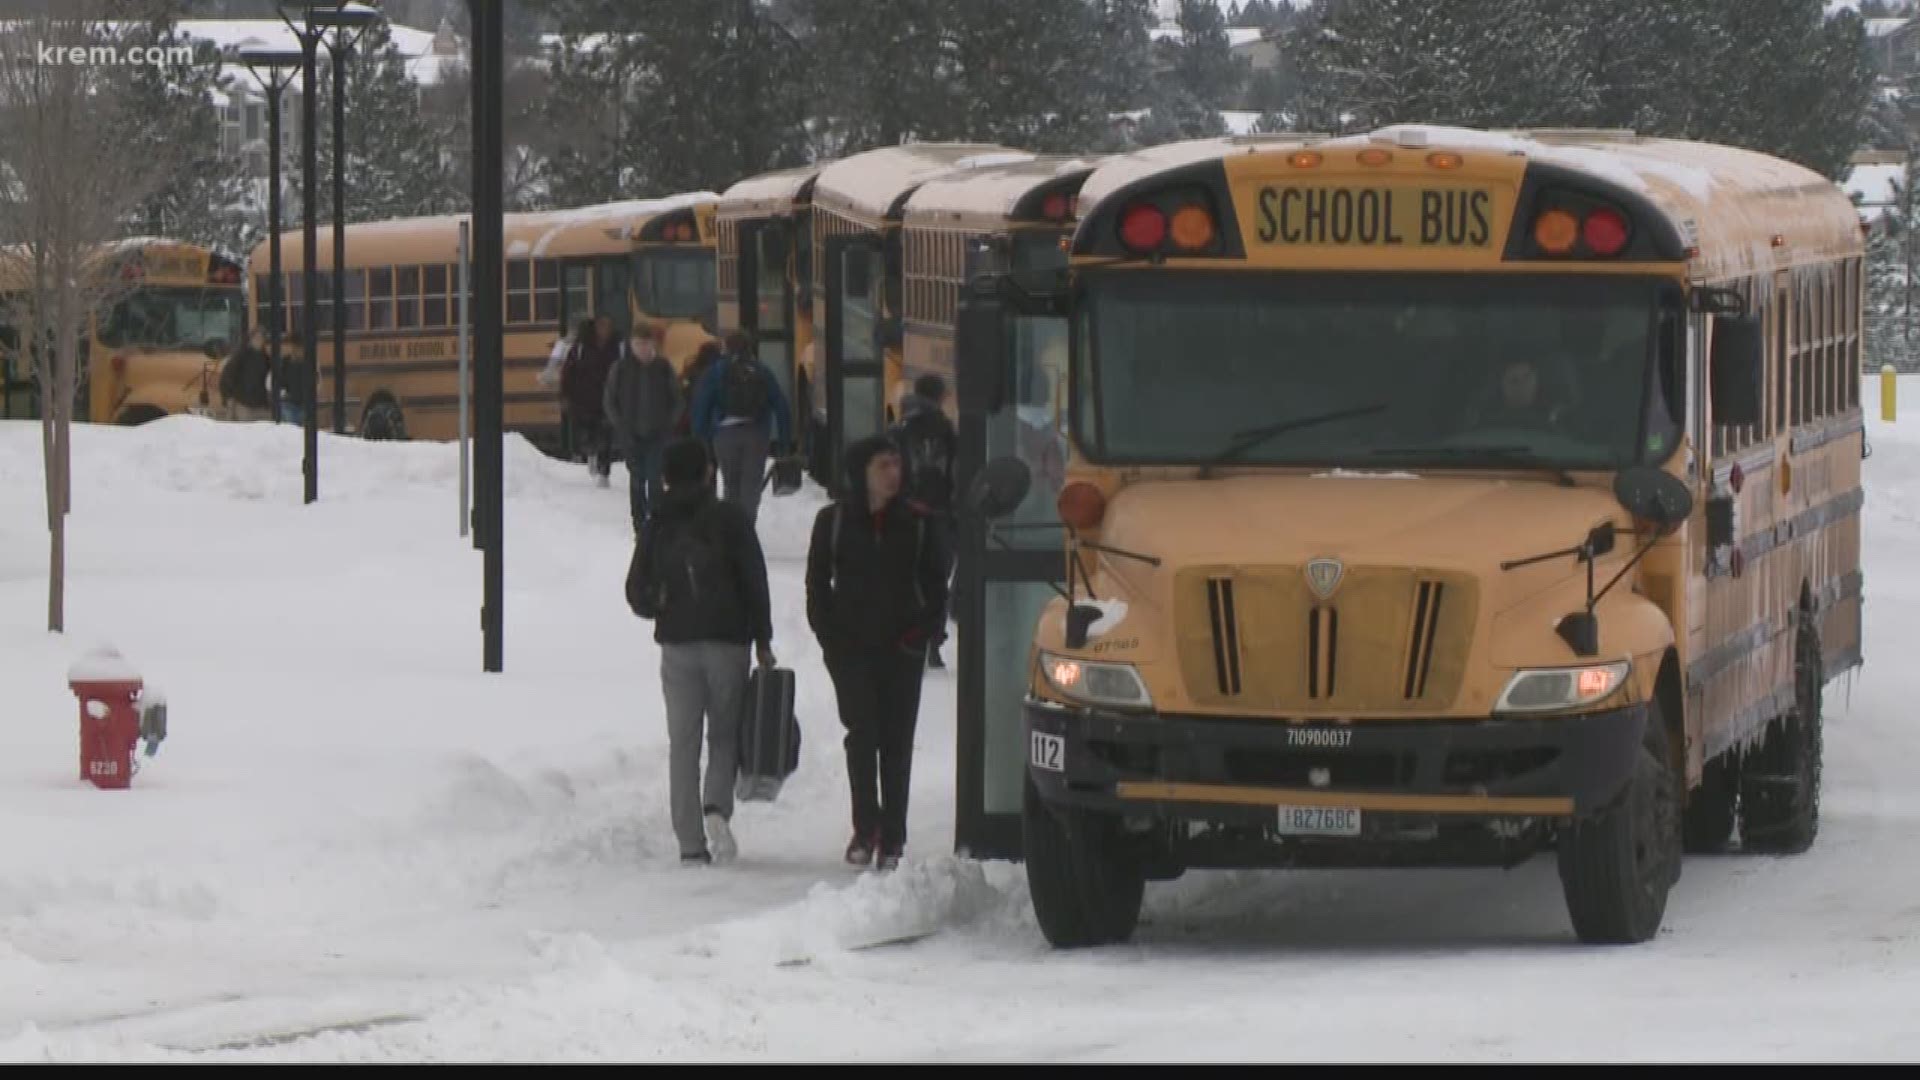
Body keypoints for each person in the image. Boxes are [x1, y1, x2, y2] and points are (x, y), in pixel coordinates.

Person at [626, 438, 776, 868]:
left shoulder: (657, 523)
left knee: (683, 742)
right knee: (725, 732)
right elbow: (754, 579)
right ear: (709, 473)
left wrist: (662, 602)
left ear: (666, 477)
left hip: (676, 644)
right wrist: (762, 638)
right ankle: (716, 807)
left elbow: (635, 590)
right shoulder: (730, 518)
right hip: (728, 641)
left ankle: (690, 842)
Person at [806, 436, 949, 871]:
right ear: (861, 472)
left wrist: (918, 637)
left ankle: (894, 835)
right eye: (883, 465)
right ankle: (865, 827)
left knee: (896, 741)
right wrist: (830, 637)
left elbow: (936, 586)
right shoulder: (832, 521)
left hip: (900, 649)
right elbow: (817, 584)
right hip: (850, 649)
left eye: (896, 464)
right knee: (862, 734)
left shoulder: (919, 522)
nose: (894, 473)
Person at [887, 373, 958, 670]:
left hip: (904, 511)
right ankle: (933, 642)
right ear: (940, 396)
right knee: (937, 579)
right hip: (939, 513)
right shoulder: (947, 430)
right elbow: (956, 472)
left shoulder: (897, 429)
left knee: (904, 575)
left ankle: (905, 636)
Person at [692, 330, 792, 525]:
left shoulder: (716, 371)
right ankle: (747, 528)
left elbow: (702, 406)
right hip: (756, 434)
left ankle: (731, 529)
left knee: (731, 484)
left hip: (725, 435)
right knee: (751, 486)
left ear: (725, 348)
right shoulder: (761, 370)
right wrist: (784, 442)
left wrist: (700, 440)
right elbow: (781, 405)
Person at [605, 322, 680, 535]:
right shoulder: (620, 369)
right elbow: (610, 400)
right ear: (631, 345)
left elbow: (677, 399)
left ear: (652, 345)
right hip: (630, 434)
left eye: (645, 344)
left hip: (658, 434)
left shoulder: (664, 368)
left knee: (655, 478)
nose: (641, 348)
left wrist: (669, 423)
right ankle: (639, 525)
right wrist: (620, 424)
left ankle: (656, 523)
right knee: (637, 478)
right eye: (637, 344)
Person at [561, 314, 620, 486]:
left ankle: (604, 471)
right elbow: (568, 374)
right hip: (585, 400)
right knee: (589, 433)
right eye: (601, 326)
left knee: (606, 435)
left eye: (608, 326)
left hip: (609, 399)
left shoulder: (617, 347)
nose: (605, 330)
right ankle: (592, 456)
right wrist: (566, 395)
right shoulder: (580, 349)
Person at [219, 329, 274, 421]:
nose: (260, 340)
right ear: (251, 339)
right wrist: (228, 397)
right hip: (243, 400)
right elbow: (228, 376)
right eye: (257, 337)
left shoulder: (266, 357)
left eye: (262, 338)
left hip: (261, 401)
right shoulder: (242, 354)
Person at [676, 339, 723, 438]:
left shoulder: (690, 371)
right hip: (712, 419)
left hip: (689, 417)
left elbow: (681, 392)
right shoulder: (718, 372)